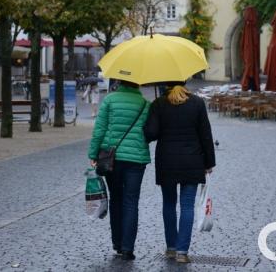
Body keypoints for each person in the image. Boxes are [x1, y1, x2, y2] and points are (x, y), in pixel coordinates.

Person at [143, 82, 216, 264]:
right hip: (192, 160)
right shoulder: (197, 103)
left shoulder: (159, 104)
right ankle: (182, 251)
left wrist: (153, 116)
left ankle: (171, 247)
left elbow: (150, 133)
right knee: (187, 206)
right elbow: (205, 134)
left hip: (167, 161)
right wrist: (209, 163)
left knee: (168, 204)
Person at [87, 80, 150, 261]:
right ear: (138, 83)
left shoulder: (110, 100)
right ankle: (128, 248)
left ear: (120, 82)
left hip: (111, 159)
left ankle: (117, 242)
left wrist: (93, 153)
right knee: (131, 201)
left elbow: (99, 129)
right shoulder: (145, 104)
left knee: (116, 199)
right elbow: (150, 131)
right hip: (136, 159)